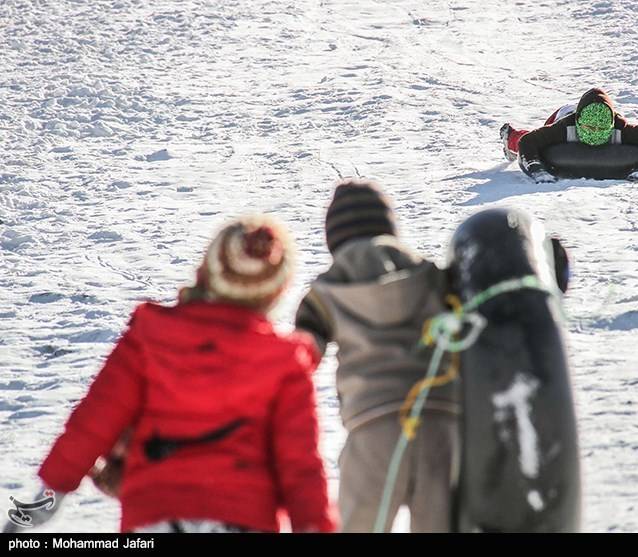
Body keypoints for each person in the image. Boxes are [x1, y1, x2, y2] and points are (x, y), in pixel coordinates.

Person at [33, 215, 337, 533]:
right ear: (275, 292)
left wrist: (50, 495)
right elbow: (300, 464)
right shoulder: (286, 361)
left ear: (206, 271)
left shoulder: (150, 335)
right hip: (244, 519)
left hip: (155, 516)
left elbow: (94, 421)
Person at [295, 178, 459, 532]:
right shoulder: (432, 276)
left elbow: (300, 358)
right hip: (441, 422)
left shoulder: (326, 292)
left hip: (373, 427)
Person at [500, 88, 638, 182]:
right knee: (540, 140)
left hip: (585, 112)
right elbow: (529, 142)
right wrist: (536, 169)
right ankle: (510, 137)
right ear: (580, 123)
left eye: (601, 130)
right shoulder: (564, 127)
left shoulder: (621, 129)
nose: (594, 134)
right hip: (563, 113)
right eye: (589, 128)